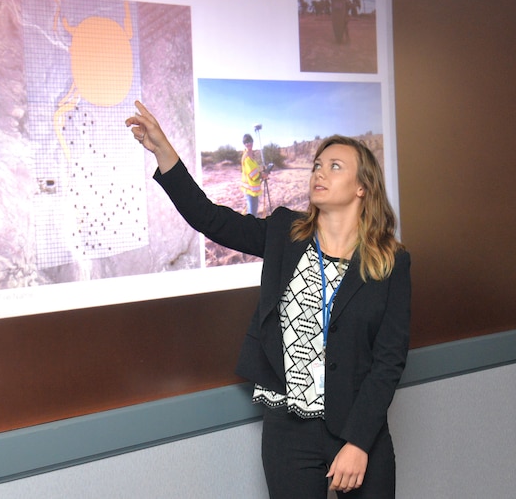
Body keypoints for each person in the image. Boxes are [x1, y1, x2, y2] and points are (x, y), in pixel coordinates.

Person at [126, 101, 410, 498]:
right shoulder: (284, 234)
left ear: (362, 187)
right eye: (317, 165)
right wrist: (164, 152)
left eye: (334, 166)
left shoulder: (391, 262)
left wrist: (360, 442)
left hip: (359, 428)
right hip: (289, 433)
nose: (319, 172)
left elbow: (389, 360)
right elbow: (210, 218)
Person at [240, 133, 267, 217]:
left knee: (252, 212)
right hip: (250, 190)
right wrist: (263, 175)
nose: (248, 144)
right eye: (246, 142)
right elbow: (253, 175)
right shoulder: (247, 158)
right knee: (252, 215)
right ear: (244, 144)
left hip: (253, 190)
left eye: (250, 141)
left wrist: (263, 169)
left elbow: (255, 169)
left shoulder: (252, 156)